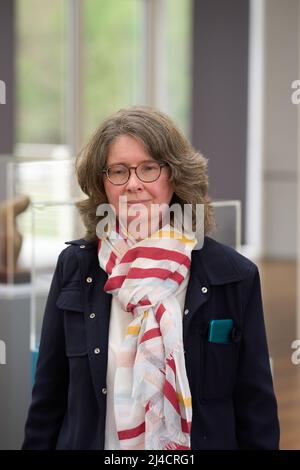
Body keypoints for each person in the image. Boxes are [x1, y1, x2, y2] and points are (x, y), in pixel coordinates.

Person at [22, 106, 280, 450]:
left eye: (148, 168)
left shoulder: (233, 275)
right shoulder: (76, 268)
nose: (133, 185)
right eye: (118, 171)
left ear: (175, 176)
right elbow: (48, 403)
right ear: (102, 183)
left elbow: (255, 411)